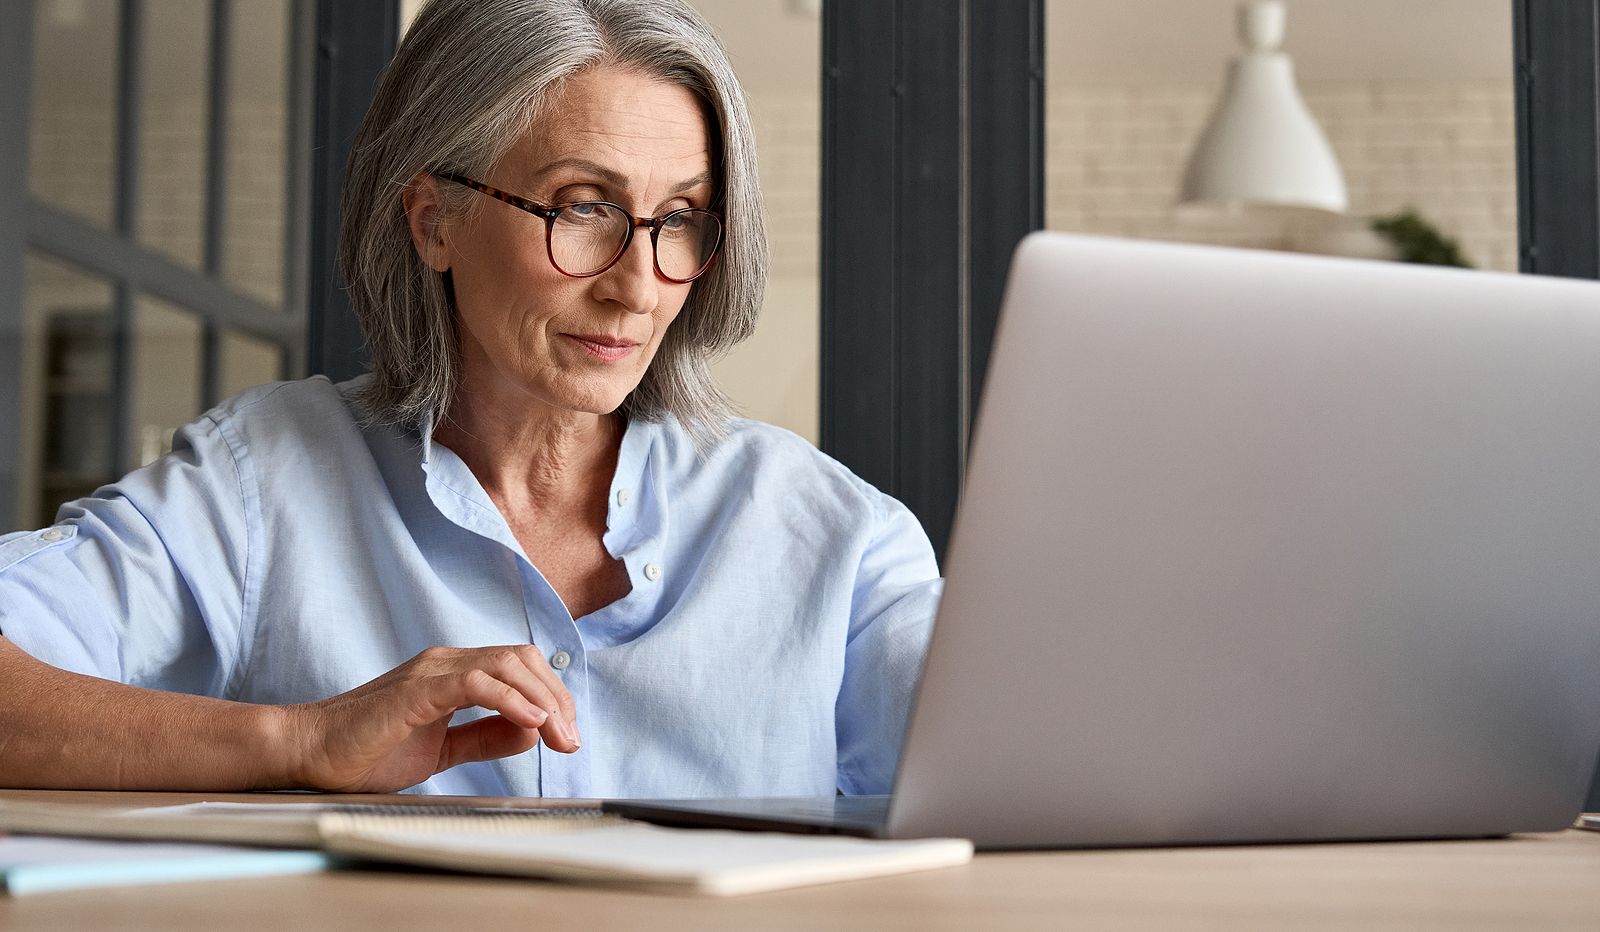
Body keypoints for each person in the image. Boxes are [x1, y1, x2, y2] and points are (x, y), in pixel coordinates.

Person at [0, 0, 940, 798]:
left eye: (680, 222)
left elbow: (1036, 762)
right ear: (435, 219)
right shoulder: (262, 485)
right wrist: (299, 742)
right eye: (582, 207)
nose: (638, 287)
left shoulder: (837, 538)